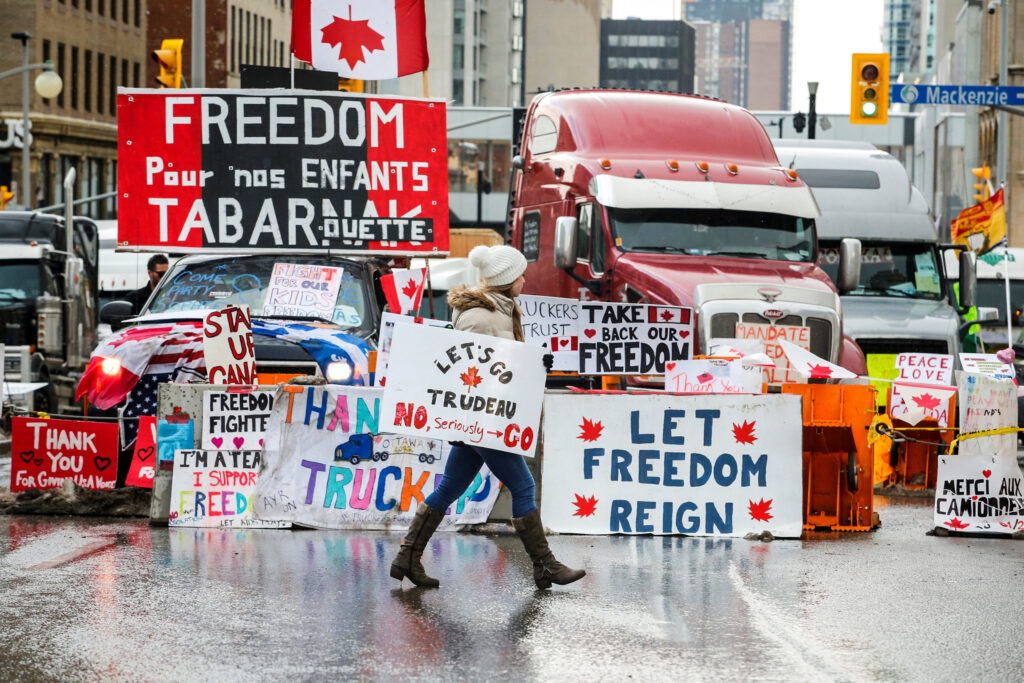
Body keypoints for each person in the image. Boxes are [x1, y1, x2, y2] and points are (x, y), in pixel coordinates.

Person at [390, 244, 586, 590]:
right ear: (509, 280)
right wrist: (458, 419)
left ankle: (406, 557)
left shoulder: (500, 311)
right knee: (523, 485)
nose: (525, 280)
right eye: (521, 275)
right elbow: (466, 369)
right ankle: (545, 566)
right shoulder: (482, 317)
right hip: (485, 421)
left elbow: (502, 366)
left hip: (486, 418)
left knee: (450, 487)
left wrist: (535, 366)